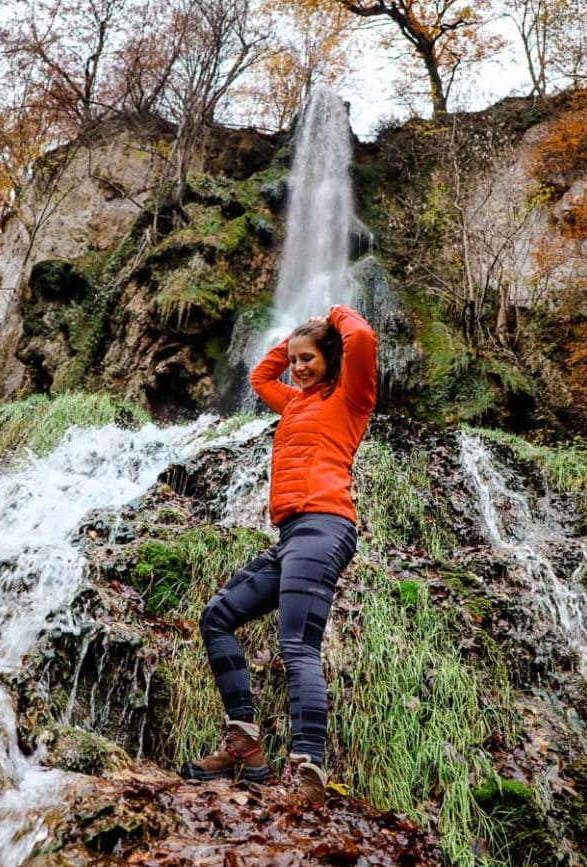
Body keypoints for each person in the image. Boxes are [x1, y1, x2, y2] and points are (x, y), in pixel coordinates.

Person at [181, 304, 377, 807]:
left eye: (308, 359)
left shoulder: (350, 397)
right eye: (294, 359)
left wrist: (332, 317)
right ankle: (244, 745)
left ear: (331, 359)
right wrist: (293, 338)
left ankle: (309, 773)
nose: (297, 367)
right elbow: (259, 375)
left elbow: (363, 339)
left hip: (326, 525)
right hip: (292, 535)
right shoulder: (293, 403)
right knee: (217, 617)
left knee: (296, 646)